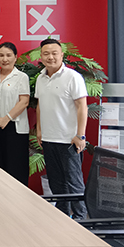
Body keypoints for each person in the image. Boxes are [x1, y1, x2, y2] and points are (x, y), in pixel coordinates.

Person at [35, 38, 88, 219]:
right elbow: (40, 106)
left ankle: (81, 219)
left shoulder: (73, 77)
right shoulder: (41, 78)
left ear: (62, 55)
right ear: (41, 56)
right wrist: (40, 130)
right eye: (46, 54)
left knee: (74, 182)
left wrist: (80, 135)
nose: (50, 57)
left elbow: (82, 107)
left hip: (69, 140)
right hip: (49, 138)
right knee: (56, 183)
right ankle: (63, 217)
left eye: (54, 53)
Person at [0, 42, 30, 185]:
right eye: (1, 55)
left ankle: (18, 197)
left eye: (9, 55)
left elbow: (24, 102)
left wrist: (7, 118)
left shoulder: (21, 77)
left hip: (15, 127)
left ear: (15, 57)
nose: (5, 59)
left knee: (16, 167)